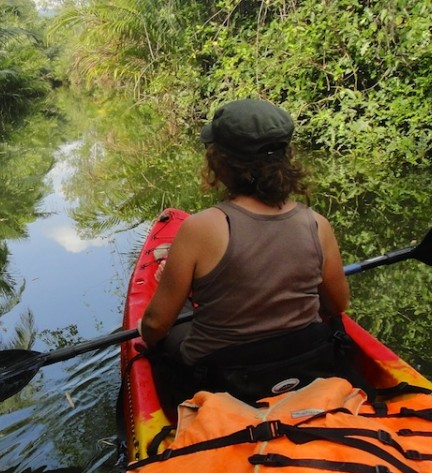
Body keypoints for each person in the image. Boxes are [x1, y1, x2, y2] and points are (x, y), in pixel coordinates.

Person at [137, 98, 353, 408]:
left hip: (222, 378)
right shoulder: (317, 224)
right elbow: (336, 305)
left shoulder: (200, 229)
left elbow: (156, 325)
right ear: (285, 158)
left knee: (167, 327)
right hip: (304, 363)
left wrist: (164, 317)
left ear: (220, 163)